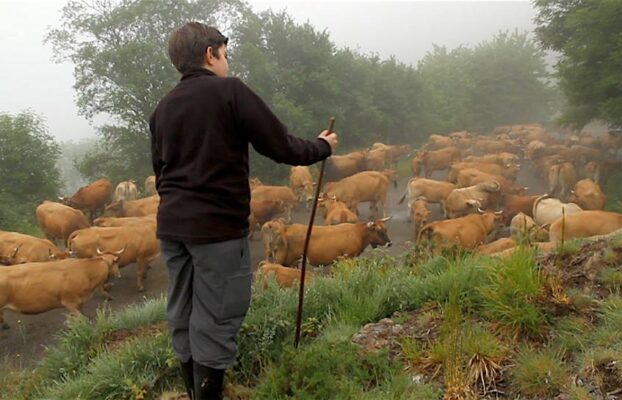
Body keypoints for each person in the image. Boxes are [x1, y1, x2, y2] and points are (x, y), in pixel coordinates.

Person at [149, 22, 338, 400]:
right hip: (217, 230)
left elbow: (160, 171)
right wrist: (322, 146)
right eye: (225, 53)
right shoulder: (229, 91)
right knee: (216, 318)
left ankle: (191, 393)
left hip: (172, 228)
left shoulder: (162, 108)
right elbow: (281, 146)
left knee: (183, 313)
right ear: (210, 54)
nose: (227, 61)